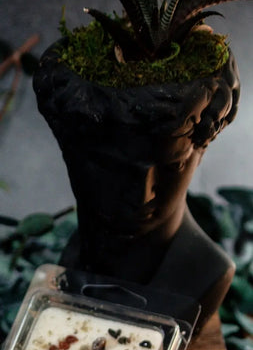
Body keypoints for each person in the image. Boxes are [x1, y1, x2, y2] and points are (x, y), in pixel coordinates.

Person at [33, 41, 240, 329]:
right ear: (68, 152)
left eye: (172, 166)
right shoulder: (70, 261)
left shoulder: (206, 275)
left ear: (201, 149)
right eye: (112, 169)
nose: (143, 195)